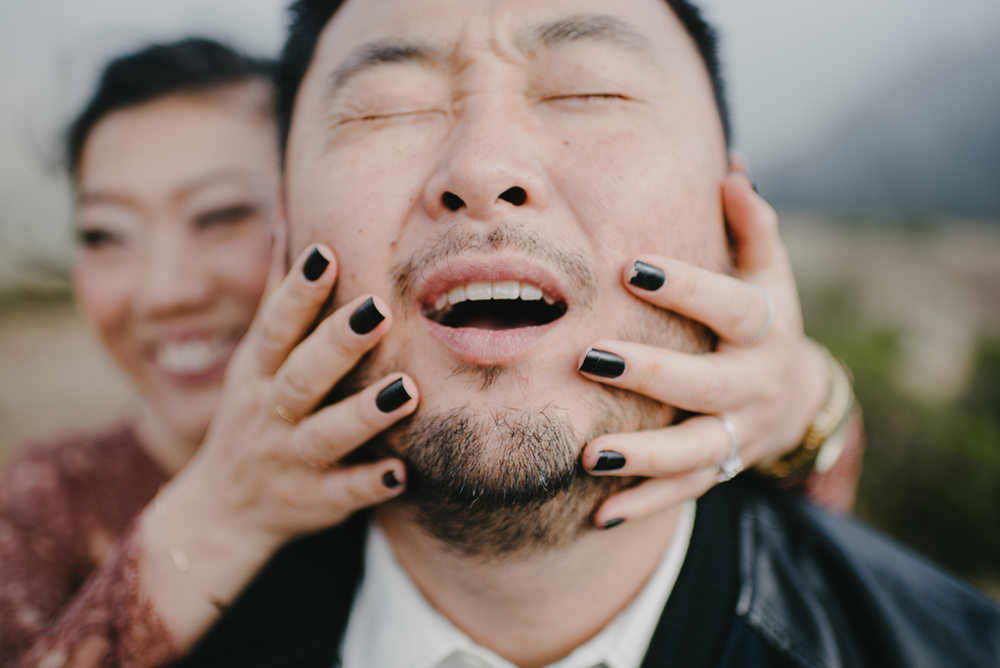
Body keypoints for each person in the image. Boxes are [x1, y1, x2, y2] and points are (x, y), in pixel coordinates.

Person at [161, 0, 997, 666]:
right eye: (387, 108)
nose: (484, 170)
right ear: (285, 232)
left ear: (736, 213)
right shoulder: (156, 615)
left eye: (589, 90)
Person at [0, 34, 859, 667]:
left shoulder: (449, 456)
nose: (163, 292)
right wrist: (222, 509)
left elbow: (809, 535)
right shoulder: (45, 507)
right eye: (104, 234)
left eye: (222, 218)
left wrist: (797, 397)